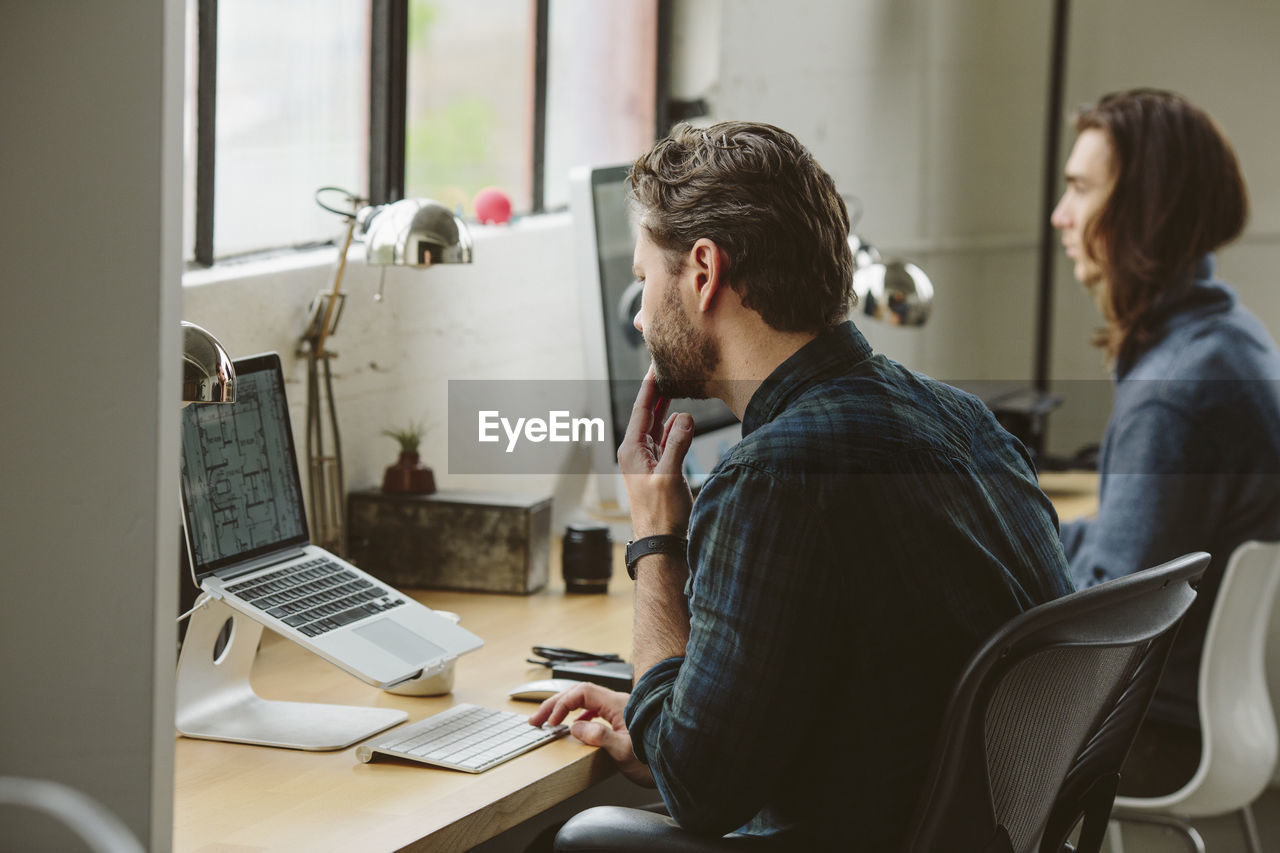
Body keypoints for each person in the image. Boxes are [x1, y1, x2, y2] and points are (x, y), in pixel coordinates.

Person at [531, 121, 1073, 849]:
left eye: (643, 281)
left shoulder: (775, 477)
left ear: (702, 272)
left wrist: (657, 538)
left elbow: (700, 793)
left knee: (575, 840)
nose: (641, 314)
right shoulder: (964, 419)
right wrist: (662, 718)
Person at [1050, 88, 1280, 795]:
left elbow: (1110, 621)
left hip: (1154, 734)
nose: (1060, 215)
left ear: (1146, 210)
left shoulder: (1174, 393)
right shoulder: (1231, 339)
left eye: (1081, 189)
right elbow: (1137, 549)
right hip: (1221, 720)